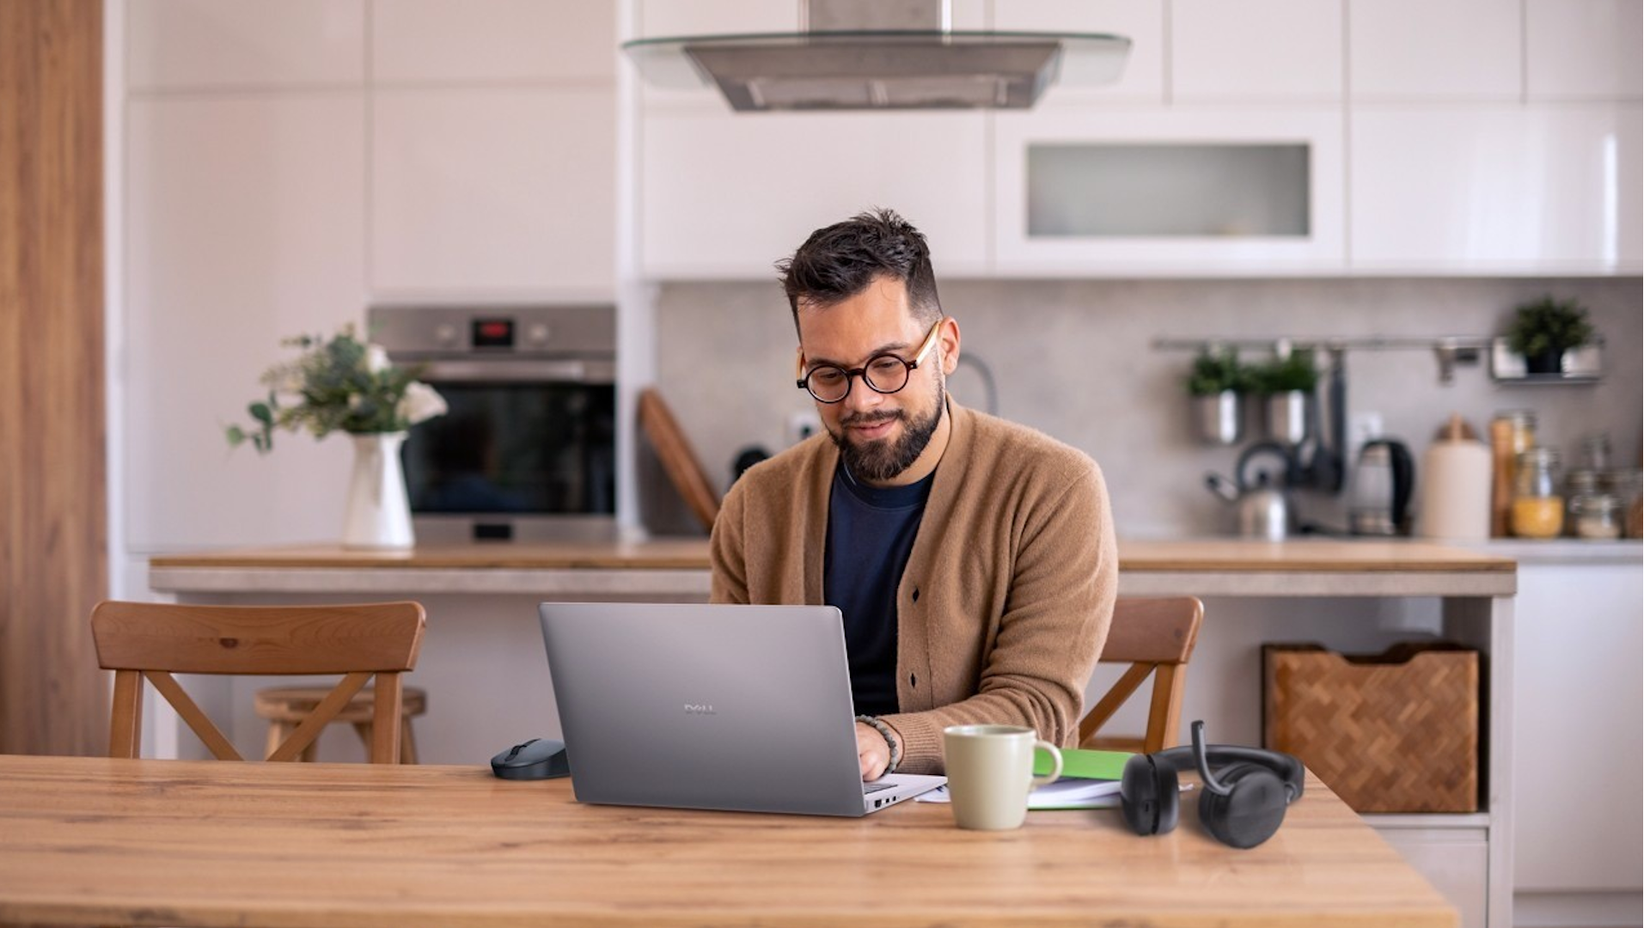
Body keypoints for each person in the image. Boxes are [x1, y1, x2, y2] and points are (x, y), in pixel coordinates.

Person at [709, 208, 1118, 781]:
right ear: (803, 365)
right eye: (830, 375)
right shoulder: (757, 502)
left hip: (984, 818)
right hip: (800, 814)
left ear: (945, 348)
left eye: (888, 364)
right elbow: (731, 694)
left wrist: (886, 740)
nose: (861, 401)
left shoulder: (1054, 489)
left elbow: (1037, 711)